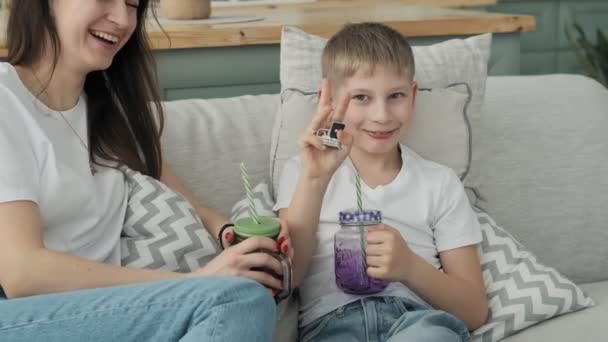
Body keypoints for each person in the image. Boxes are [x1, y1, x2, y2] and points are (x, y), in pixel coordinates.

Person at [0, 1, 291, 341]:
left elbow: (184, 198)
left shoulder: (110, 111)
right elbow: (22, 273)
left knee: (246, 297)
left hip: (104, 314)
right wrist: (200, 281)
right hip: (21, 316)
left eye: (132, 5)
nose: (123, 20)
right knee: (237, 300)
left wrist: (228, 232)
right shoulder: (7, 102)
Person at [275, 23, 488, 342]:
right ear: (329, 99)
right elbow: (288, 276)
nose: (381, 115)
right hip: (331, 326)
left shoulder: (438, 182)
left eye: (396, 96)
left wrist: (410, 267)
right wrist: (314, 179)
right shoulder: (302, 172)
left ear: (413, 95)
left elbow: (473, 311)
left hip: (416, 323)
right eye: (361, 97)